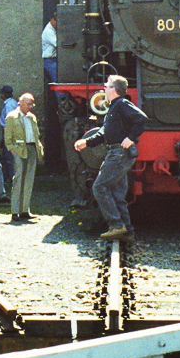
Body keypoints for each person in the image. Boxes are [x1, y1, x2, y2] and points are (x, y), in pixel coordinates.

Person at [74, 75, 147, 242]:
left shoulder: (121, 104)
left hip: (119, 154)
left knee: (99, 187)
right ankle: (127, 231)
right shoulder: (114, 107)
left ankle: (116, 225)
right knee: (117, 193)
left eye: (106, 86)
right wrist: (87, 141)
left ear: (113, 90)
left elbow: (141, 118)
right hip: (116, 153)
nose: (104, 88)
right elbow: (104, 132)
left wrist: (131, 138)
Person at [3, 93, 43, 222]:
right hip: (20, 150)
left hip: (32, 149)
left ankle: (25, 210)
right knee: (19, 179)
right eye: (28, 104)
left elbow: (36, 135)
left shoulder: (32, 117)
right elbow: (7, 138)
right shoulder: (11, 117)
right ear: (20, 102)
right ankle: (15, 211)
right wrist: (13, 150)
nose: (30, 107)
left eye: (32, 104)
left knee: (29, 179)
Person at [0, 85, 18, 190]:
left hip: (9, 133)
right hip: (9, 132)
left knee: (8, 156)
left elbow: (9, 123)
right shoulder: (12, 103)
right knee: (8, 156)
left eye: (2, 93)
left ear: (5, 94)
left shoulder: (9, 105)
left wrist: (6, 137)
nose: (0, 95)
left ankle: (10, 177)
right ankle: (9, 176)